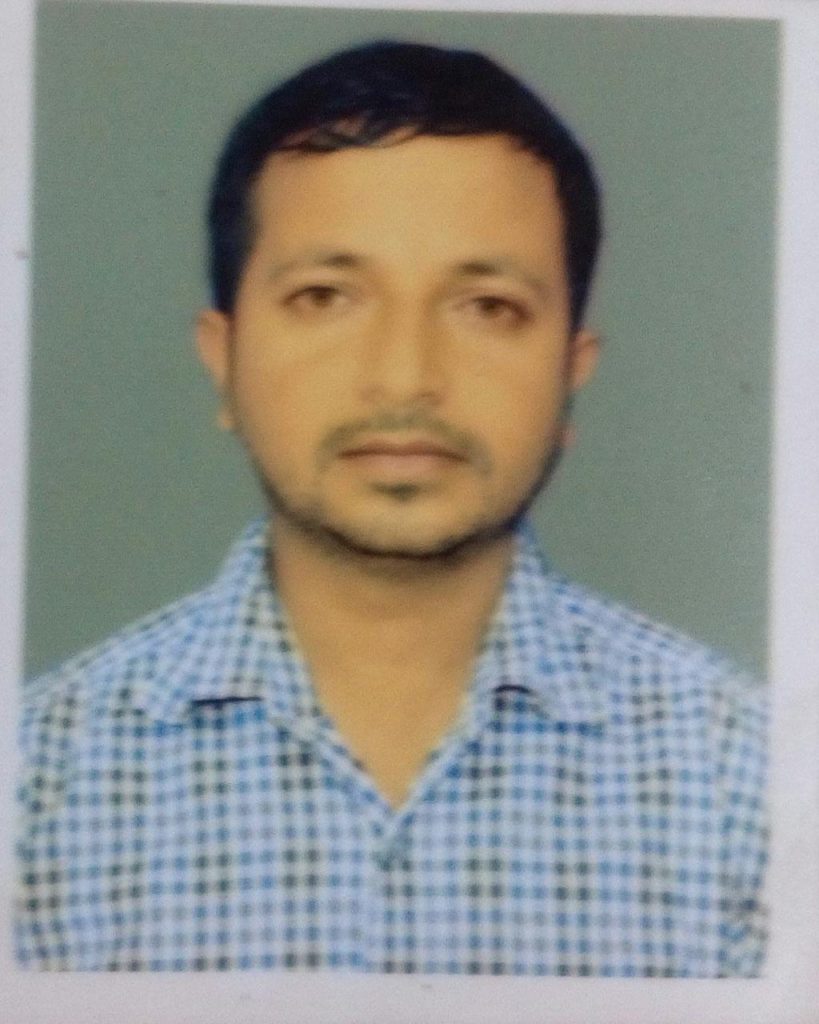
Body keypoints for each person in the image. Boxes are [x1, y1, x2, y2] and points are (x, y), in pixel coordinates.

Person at [16, 40, 767, 976]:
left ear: (571, 373)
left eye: (486, 306)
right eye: (326, 296)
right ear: (224, 361)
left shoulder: (750, 787)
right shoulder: (34, 788)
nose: (405, 377)